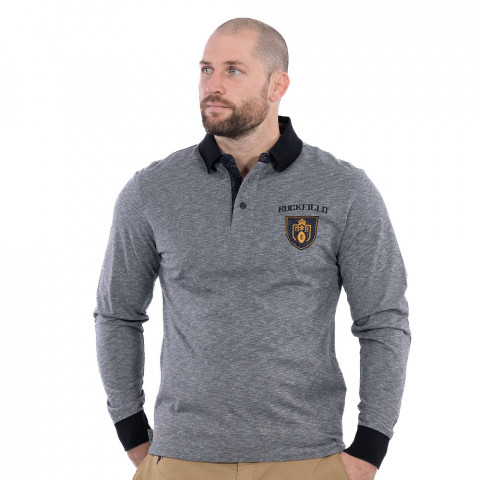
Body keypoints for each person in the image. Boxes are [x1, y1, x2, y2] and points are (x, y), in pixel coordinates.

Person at [94, 17, 411, 480]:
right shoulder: (152, 190)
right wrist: (132, 433)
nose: (213, 85)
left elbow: (383, 319)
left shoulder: (344, 189)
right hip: (180, 458)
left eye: (233, 70)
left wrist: (370, 448)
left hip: (307, 459)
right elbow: (117, 314)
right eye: (206, 69)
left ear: (277, 85)